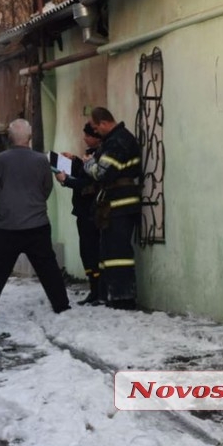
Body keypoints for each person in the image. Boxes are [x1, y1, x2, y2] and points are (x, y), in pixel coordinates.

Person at [0, 118, 71, 315]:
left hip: (8, 225)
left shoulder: (1, 160)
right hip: (36, 224)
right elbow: (47, 188)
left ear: (10, 138)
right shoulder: (41, 160)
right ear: (29, 137)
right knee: (48, 267)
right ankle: (61, 305)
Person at [83, 107, 142, 310]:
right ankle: (110, 295)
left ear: (104, 123)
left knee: (118, 254)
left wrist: (87, 164)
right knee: (109, 252)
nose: (94, 132)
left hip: (121, 205)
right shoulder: (114, 140)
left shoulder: (118, 142)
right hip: (114, 205)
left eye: (95, 127)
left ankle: (122, 298)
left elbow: (101, 173)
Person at [55, 122, 103, 305]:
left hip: (92, 211)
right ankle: (94, 290)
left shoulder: (100, 156)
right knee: (86, 251)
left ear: (96, 137)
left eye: (88, 135)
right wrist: (74, 160)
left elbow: (87, 183)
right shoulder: (90, 155)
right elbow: (83, 173)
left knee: (92, 251)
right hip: (84, 211)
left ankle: (98, 290)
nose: (84, 138)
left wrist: (66, 180)